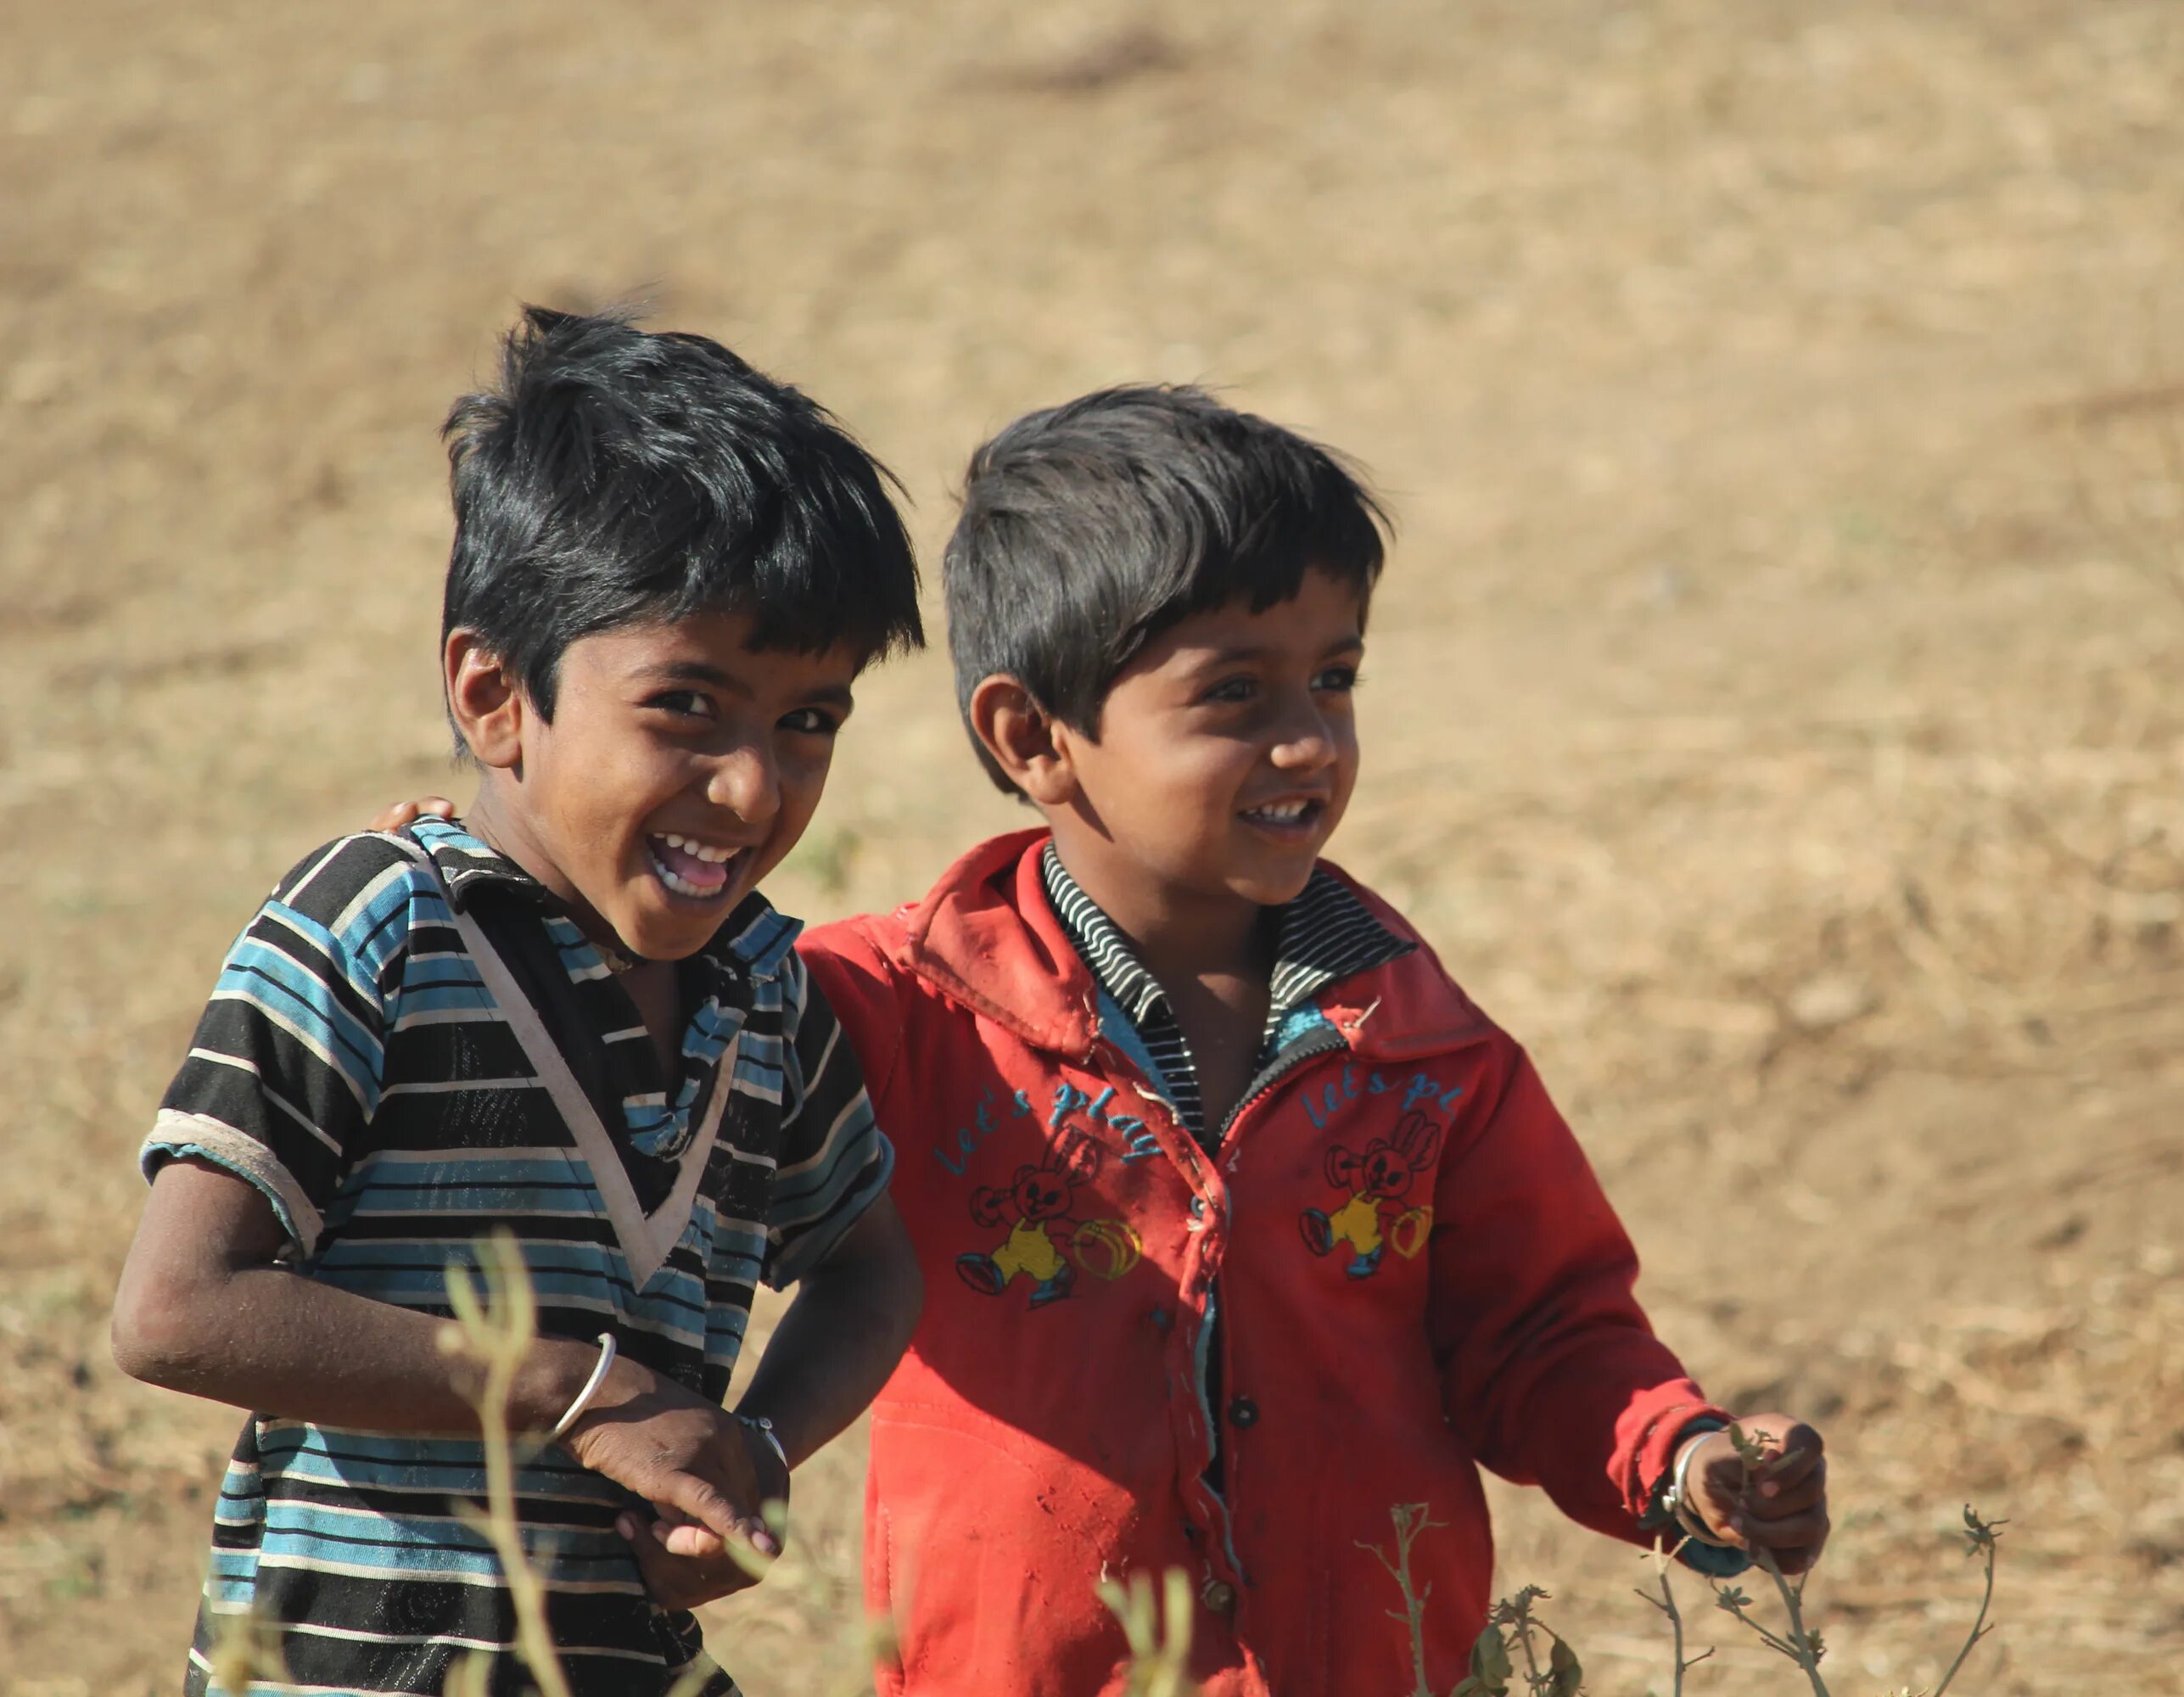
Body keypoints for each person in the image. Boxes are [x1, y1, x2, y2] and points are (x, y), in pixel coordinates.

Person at [787, 388, 1831, 1694]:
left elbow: (1544, 1333)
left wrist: (1679, 1458)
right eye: (1232, 694)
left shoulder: (1425, 1053)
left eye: (1333, 679)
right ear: (1033, 739)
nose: (1308, 740)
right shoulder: (895, 1015)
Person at [111, 307, 929, 1697]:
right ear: (495, 697)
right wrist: (583, 1393)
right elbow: (179, 1310)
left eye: (810, 721)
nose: (754, 787)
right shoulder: (384, 923)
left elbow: (869, 1264)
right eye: (687, 706)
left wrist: (757, 1457)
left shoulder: (765, 995)